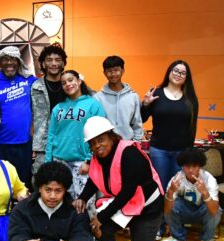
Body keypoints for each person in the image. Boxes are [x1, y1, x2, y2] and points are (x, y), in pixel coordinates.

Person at [74, 116, 181, 241]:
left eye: (101, 140)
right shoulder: (97, 157)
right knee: (98, 228)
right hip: (127, 204)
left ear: (111, 136)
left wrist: (101, 215)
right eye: (92, 143)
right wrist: (83, 197)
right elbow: (95, 178)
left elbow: (128, 192)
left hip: (147, 207)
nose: (97, 146)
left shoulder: (129, 154)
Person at [140, 60, 199, 239]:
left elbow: (192, 127)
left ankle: (174, 226)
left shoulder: (190, 99)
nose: (178, 74)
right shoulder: (156, 93)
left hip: (181, 152)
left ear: (186, 77)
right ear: (169, 72)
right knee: (160, 189)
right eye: (176, 70)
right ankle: (158, 226)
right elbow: (142, 119)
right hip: (159, 150)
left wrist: (189, 154)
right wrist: (146, 104)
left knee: (177, 190)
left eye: (182, 72)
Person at [45, 69, 106, 199]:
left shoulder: (93, 104)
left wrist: (89, 161)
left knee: (84, 202)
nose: (67, 84)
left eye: (71, 80)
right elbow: (51, 136)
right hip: (59, 161)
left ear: (79, 81)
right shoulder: (58, 108)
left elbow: (101, 135)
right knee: (62, 202)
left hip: (82, 162)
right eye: (63, 83)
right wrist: (48, 162)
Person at [0, 46, 37, 186]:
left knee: (23, 183)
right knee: (2, 183)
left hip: (24, 143)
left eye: (13, 59)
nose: (9, 63)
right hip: (0, 143)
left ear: (19, 62)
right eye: (5, 60)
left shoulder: (29, 80)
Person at [161, 148, 222, 241]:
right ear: (182, 166)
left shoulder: (209, 179)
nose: (190, 170)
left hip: (202, 210)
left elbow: (214, 211)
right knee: (170, 202)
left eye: (194, 166)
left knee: (217, 210)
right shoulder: (176, 179)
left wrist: (205, 193)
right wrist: (170, 191)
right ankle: (178, 238)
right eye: (187, 166)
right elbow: (166, 210)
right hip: (184, 210)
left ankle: (207, 239)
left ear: (200, 167)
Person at [31, 44, 68, 174]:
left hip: (67, 142)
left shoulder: (70, 84)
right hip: (42, 144)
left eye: (58, 60)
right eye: (49, 60)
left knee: (66, 181)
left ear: (63, 63)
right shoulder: (35, 87)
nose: (53, 64)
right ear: (43, 63)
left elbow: (91, 98)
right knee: (40, 180)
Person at [94, 56, 143, 141]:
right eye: (109, 71)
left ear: (123, 70)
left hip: (128, 144)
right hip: (106, 146)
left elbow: (137, 124)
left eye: (116, 70)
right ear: (104, 73)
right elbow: (96, 125)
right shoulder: (97, 98)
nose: (113, 74)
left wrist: (136, 143)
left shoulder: (133, 96)